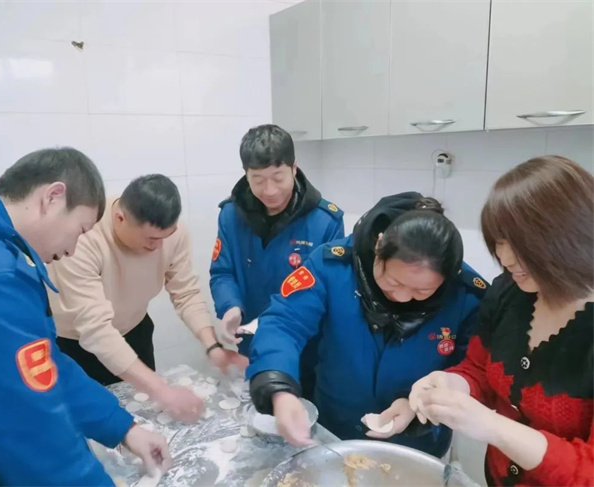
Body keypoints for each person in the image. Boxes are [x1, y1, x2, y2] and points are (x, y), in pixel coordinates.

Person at [0, 148, 171, 486]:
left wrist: (125, 428)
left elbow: (44, 367)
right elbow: (28, 428)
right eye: (80, 229)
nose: (73, 249)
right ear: (52, 197)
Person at [247, 192, 489, 458]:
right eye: (393, 282)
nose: (401, 297)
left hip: (416, 446)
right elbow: (283, 322)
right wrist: (279, 389)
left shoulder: (466, 296)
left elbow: (471, 372)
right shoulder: (333, 266)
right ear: (379, 245)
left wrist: (418, 405)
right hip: (334, 431)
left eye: (422, 292)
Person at [409, 156, 593, 486]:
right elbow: (479, 369)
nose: (505, 258)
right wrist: (452, 383)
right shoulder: (510, 292)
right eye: (499, 242)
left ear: (571, 236)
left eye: (521, 244)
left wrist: (492, 426)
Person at [48, 174, 246, 423]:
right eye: (151, 239)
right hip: (75, 345)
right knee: (89, 423)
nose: (158, 246)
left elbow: (185, 293)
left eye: (165, 236)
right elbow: (95, 330)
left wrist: (213, 348)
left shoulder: (171, 234)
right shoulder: (84, 239)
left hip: (134, 332)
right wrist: (161, 390)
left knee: (143, 418)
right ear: (120, 218)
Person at [210, 124, 344, 399]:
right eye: (258, 180)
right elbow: (222, 272)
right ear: (246, 174)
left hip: (305, 348)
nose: (269, 190)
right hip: (251, 343)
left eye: (278, 177)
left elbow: (332, 293)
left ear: (294, 169)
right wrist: (230, 306)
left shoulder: (325, 221)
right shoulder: (231, 215)